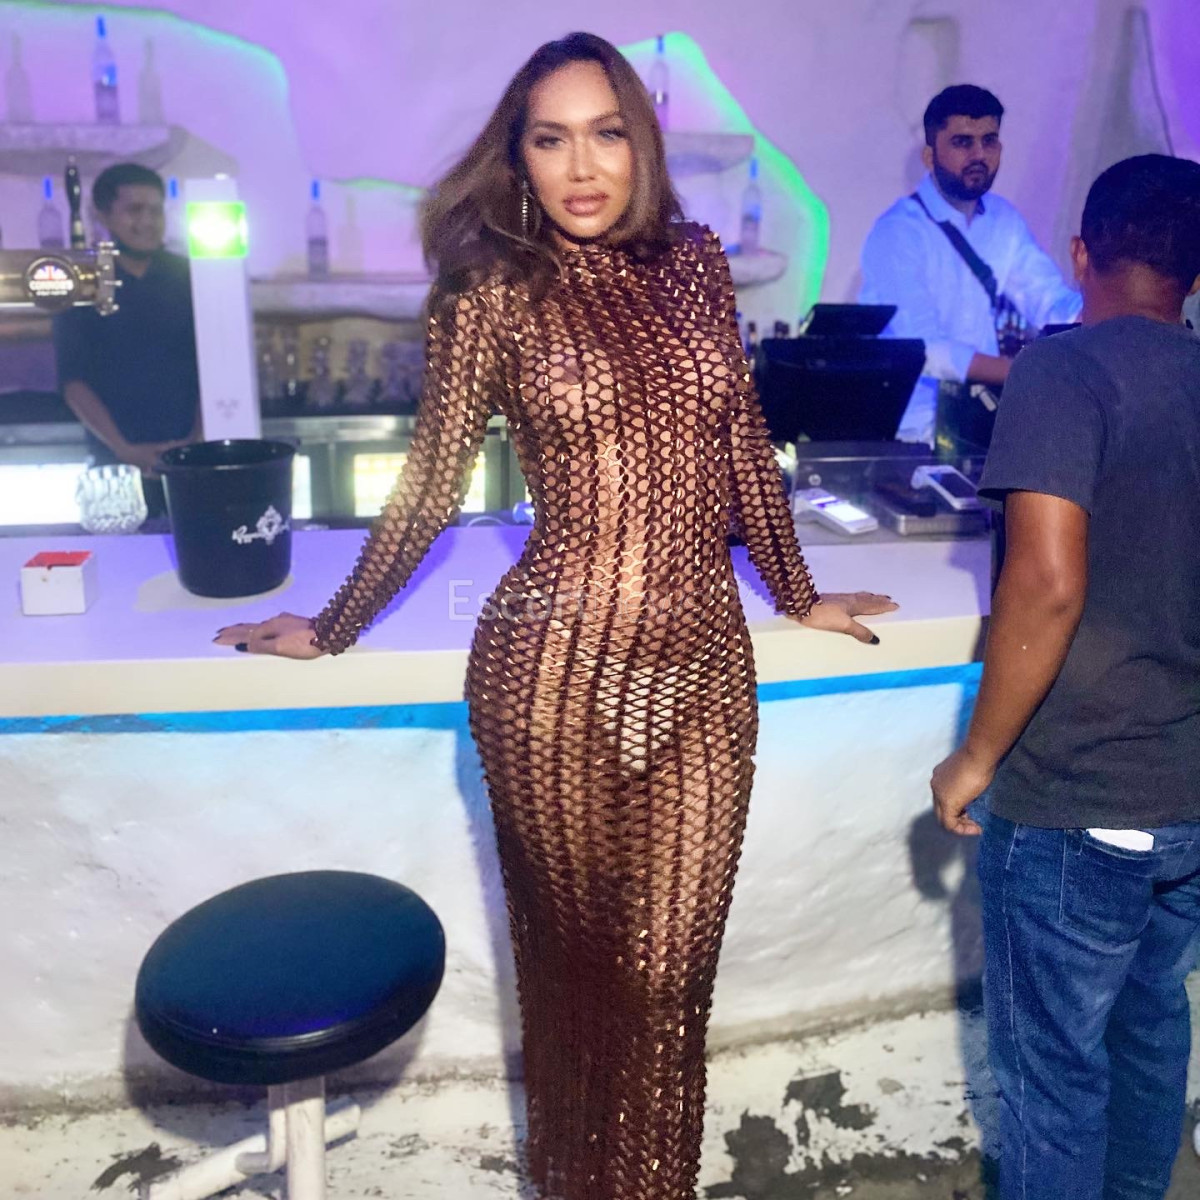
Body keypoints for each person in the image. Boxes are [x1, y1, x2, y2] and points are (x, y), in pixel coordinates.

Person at [215, 33, 895, 1200]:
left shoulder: (694, 263)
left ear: (641, 142)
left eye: (605, 134)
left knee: (673, 984)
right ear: (519, 158)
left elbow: (741, 443)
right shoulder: (491, 291)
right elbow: (430, 485)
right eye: (551, 139)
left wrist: (795, 593)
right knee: (588, 984)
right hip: (556, 678)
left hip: (704, 671)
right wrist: (332, 624)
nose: (582, 167)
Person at [931, 154, 1200, 1199]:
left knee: (1054, 1079)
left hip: (1080, 795)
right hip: (1187, 794)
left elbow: (1046, 584)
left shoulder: (1061, 370)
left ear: (1082, 254)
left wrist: (975, 756)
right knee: (1150, 1028)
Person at [860, 85, 1081, 444]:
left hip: (977, 425)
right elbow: (923, 348)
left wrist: (1105, 310)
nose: (979, 154)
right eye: (963, 142)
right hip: (907, 434)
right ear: (929, 156)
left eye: (989, 141)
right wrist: (1023, 373)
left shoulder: (1003, 220)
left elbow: (1049, 300)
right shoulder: (897, 232)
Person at [53, 162, 200, 515]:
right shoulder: (83, 283)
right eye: (134, 210)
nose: (147, 221)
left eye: (155, 210)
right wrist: (124, 449)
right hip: (114, 465)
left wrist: (196, 440)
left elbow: (214, 366)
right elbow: (74, 381)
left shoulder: (189, 276)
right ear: (103, 215)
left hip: (191, 461)